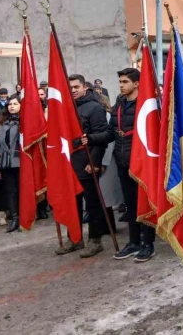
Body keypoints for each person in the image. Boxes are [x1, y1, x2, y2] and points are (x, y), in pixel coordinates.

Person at [57, 74, 114, 258]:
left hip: (87, 162)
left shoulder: (94, 108)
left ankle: (95, 240)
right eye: (70, 87)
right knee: (72, 203)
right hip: (69, 164)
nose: (73, 90)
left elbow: (102, 137)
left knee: (92, 204)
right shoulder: (64, 107)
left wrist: (94, 162)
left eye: (76, 87)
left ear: (85, 87)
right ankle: (74, 238)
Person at [107, 68, 156, 263]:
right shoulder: (119, 103)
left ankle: (148, 244)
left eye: (125, 81)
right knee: (130, 204)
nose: (121, 85)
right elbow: (111, 131)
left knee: (144, 202)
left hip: (142, 162)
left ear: (136, 83)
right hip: (122, 161)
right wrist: (90, 138)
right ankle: (134, 241)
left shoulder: (146, 104)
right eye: (120, 81)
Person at [0, 97, 21, 233]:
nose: (12, 106)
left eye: (15, 104)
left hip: (20, 161)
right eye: (10, 104)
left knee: (22, 190)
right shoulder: (2, 123)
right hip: (6, 162)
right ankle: (15, 219)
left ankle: (24, 217)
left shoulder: (24, 122)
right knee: (10, 191)